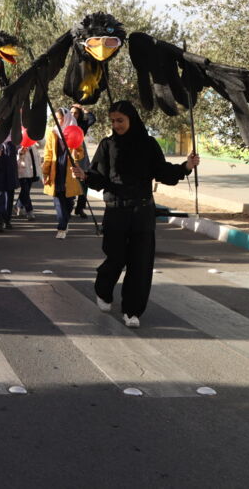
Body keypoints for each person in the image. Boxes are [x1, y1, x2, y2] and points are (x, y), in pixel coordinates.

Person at [72, 100, 199, 328]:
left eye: (120, 120)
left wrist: (186, 167)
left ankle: (132, 310)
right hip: (116, 210)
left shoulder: (148, 145)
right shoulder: (107, 145)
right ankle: (103, 290)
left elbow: (163, 172)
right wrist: (84, 175)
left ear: (132, 119)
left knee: (140, 263)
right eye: (112, 121)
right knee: (116, 258)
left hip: (142, 211)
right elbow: (99, 178)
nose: (116, 125)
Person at [41, 108, 84, 240]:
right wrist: (45, 171)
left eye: (61, 118)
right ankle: (62, 227)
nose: (59, 121)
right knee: (58, 200)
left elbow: (81, 152)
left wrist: (77, 154)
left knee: (69, 201)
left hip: (69, 170)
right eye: (57, 119)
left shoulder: (75, 130)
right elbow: (48, 153)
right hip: (56, 169)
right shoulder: (52, 132)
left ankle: (65, 220)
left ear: (66, 118)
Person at [71, 104, 96, 218]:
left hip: (81, 153)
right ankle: (68, 206)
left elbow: (92, 118)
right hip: (68, 153)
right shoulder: (64, 124)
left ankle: (80, 208)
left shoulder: (82, 125)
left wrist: (83, 109)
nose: (73, 115)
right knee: (70, 181)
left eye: (75, 113)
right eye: (71, 113)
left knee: (83, 181)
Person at [0, 135, 18, 233]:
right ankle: (0, 220)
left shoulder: (13, 142)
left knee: (9, 197)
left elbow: (17, 152)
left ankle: (7, 219)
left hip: (10, 172)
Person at [15, 140, 40, 221]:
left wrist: (37, 142)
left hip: (32, 170)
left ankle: (18, 205)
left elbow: (42, 145)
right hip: (22, 170)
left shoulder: (32, 139)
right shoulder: (18, 138)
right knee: (25, 190)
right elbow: (16, 156)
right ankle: (29, 210)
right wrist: (21, 152)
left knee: (26, 190)